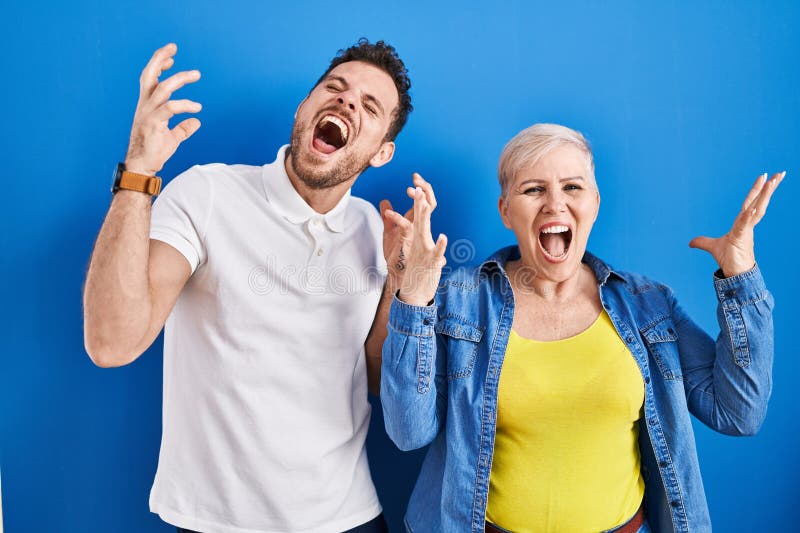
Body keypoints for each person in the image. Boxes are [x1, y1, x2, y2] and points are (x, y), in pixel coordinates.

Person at [83, 39, 434, 533]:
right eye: (335, 87)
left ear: (381, 152)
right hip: (217, 522)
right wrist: (139, 171)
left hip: (349, 518)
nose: (347, 100)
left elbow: (377, 380)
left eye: (369, 106)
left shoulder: (376, 233)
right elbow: (111, 342)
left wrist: (399, 284)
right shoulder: (206, 194)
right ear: (304, 108)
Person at [380, 123, 782, 533]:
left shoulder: (648, 306)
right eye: (533, 189)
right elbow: (409, 431)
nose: (555, 204)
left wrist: (740, 275)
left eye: (572, 187)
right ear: (505, 211)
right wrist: (413, 293)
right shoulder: (459, 301)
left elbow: (740, 412)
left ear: (595, 202)